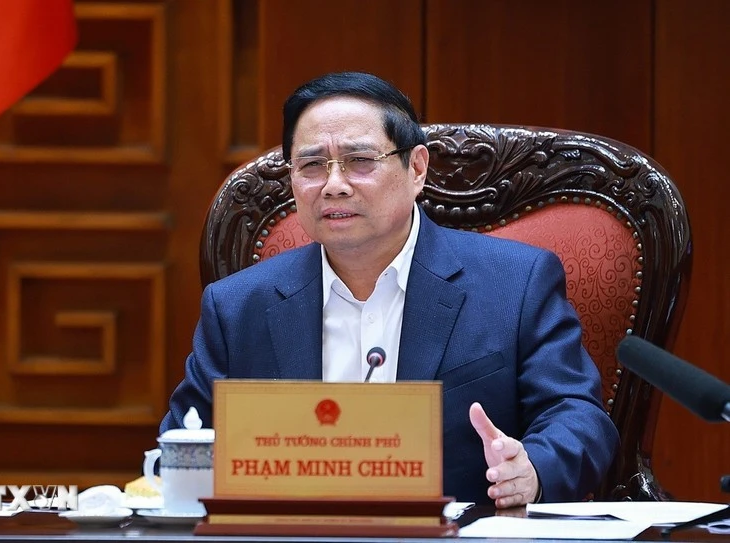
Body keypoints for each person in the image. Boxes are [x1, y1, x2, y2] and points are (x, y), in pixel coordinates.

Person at [161, 72, 619, 508]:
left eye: (360, 161)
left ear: (416, 168)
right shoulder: (238, 306)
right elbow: (181, 446)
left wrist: (532, 469)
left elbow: (577, 415)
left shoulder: (515, 284)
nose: (334, 185)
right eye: (312, 165)